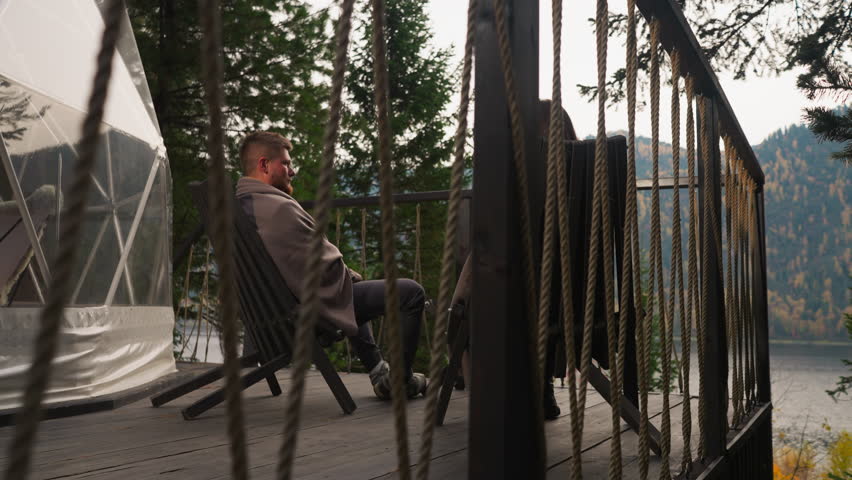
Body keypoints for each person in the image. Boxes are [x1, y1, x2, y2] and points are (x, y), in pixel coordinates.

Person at [233, 131, 427, 400]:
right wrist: (347, 272)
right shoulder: (277, 210)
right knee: (410, 292)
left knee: (348, 284)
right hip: (302, 316)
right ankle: (400, 382)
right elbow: (324, 271)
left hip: (271, 317)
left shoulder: (243, 206)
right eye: (286, 164)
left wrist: (344, 274)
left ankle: (379, 371)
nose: (292, 171)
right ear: (265, 165)